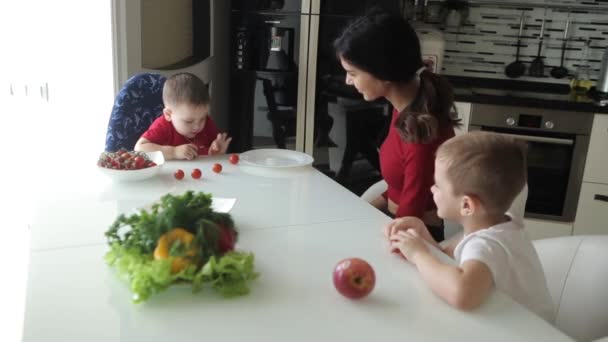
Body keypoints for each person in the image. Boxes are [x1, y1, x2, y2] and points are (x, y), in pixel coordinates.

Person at [386, 131, 554, 321]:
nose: (431, 189)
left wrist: (418, 255)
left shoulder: (487, 245)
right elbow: (454, 264)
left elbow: (461, 293)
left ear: (466, 205)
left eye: (438, 185)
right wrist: (423, 236)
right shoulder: (503, 224)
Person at [334, 9, 458, 242]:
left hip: (413, 233)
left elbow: (410, 211)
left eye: (352, 73)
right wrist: (364, 207)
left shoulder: (421, 131)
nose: (348, 81)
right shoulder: (406, 107)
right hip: (394, 219)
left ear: (383, 72)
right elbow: (400, 183)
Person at [135, 72, 231, 160]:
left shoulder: (207, 123)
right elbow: (139, 149)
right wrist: (174, 152)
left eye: (202, 118)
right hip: (171, 176)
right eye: (189, 121)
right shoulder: (163, 126)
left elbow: (212, 158)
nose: (198, 126)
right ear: (168, 115)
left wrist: (216, 154)